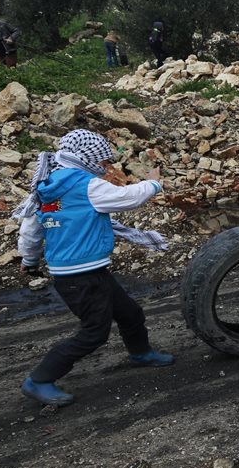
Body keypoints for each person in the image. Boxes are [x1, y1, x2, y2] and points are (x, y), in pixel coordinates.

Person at [13, 129, 171, 406]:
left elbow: (32, 228)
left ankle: (141, 353)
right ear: (87, 158)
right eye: (103, 163)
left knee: (129, 312)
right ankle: (39, 380)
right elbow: (127, 198)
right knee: (94, 331)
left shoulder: (47, 184)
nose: (105, 168)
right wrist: (154, 184)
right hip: (81, 275)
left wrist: (29, 259)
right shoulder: (85, 185)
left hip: (82, 272)